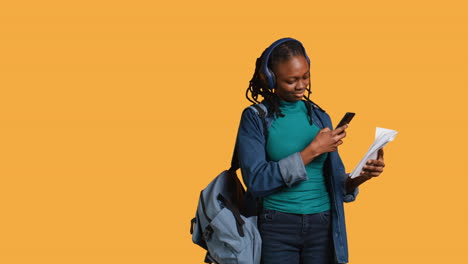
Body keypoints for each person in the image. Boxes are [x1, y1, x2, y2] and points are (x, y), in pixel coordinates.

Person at [234, 38, 386, 264]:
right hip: (277, 225)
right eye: (291, 80)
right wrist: (312, 150)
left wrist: (359, 178)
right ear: (271, 78)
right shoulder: (256, 118)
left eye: (305, 76)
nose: (301, 85)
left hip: (323, 225)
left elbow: (335, 182)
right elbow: (256, 181)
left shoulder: (319, 116)